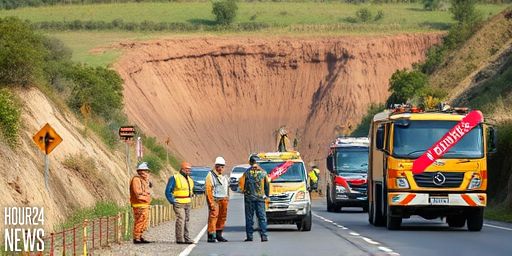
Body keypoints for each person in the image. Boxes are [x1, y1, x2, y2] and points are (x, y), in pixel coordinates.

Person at [238, 155, 270, 242]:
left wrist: (245, 191)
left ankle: (249, 236)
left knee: (249, 218)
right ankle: (264, 236)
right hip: (260, 198)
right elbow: (267, 185)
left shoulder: (246, 173)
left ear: (250, 162)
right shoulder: (263, 173)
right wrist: (267, 196)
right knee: (262, 217)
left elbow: (241, 185)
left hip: (249, 199)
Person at [165, 161, 195, 244]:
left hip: (188, 202)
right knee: (181, 219)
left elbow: (191, 190)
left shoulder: (190, 179)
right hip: (178, 202)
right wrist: (172, 201)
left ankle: (187, 238)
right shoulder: (174, 178)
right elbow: (168, 191)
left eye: (189, 169)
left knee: (187, 220)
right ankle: (179, 239)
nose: (188, 171)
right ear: (182, 169)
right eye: (187, 169)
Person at [205, 156, 230, 243]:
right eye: (219, 166)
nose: (221, 168)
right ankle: (211, 235)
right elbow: (208, 190)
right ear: (216, 166)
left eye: (222, 166)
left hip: (224, 199)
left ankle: (219, 235)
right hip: (215, 199)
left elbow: (226, 187)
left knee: (222, 217)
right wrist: (211, 202)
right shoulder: (210, 175)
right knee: (213, 217)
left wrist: (227, 198)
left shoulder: (223, 176)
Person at [130, 162, 152, 244]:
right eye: (146, 171)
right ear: (141, 171)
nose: (147, 173)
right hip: (139, 204)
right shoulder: (136, 180)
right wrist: (146, 195)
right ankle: (136, 238)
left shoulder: (143, 180)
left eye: (147, 171)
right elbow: (138, 193)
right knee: (140, 220)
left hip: (144, 204)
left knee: (143, 221)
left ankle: (140, 236)